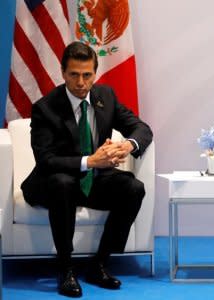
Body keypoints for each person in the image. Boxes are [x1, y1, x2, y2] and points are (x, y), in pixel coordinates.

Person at [21, 41, 153, 298]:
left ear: (95, 73)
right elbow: (46, 159)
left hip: (91, 182)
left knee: (133, 187)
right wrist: (91, 161)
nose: (81, 82)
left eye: (87, 75)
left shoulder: (106, 97)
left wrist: (127, 145)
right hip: (53, 183)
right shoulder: (46, 108)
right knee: (63, 183)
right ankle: (65, 268)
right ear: (63, 73)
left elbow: (142, 129)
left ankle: (100, 263)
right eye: (74, 75)